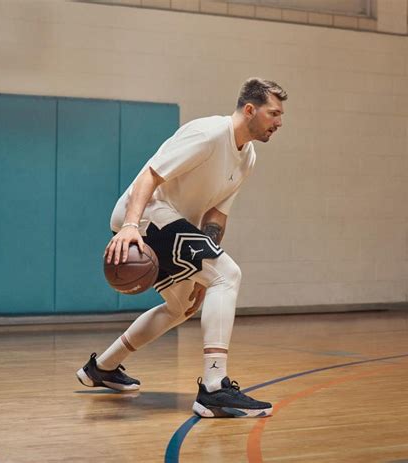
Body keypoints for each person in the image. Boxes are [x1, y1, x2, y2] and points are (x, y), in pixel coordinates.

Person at [77, 77, 287, 418]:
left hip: (173, 224)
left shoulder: (247, 157)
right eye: (273, 113)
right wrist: (131, 226)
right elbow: (149, 176)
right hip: (147, 213)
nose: (279, 123)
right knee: (229, 276)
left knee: (180, 307)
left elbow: (216, 215)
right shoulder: (207, 134)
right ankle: (215, 389)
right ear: (250, 109)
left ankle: (101, 368)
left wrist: (204, 270)